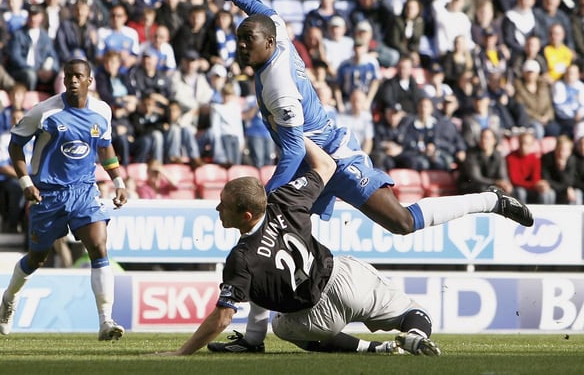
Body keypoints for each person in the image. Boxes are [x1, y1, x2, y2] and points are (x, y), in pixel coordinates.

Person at [204, 0, 534, 352]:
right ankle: (253, 339)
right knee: (270, 242)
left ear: (269, 43)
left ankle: (490, 200)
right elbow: (259, 6)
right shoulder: (274, 29)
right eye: (239, 39)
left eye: (248, 40)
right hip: (313, 160)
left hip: (332, 156)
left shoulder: (279, 87)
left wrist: (270, 198)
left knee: (402, 221)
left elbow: (294, 151)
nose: (241, 47)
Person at [160, 137, 442, 356]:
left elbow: (222, 318)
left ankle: (372, 349)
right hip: (346, 278)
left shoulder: (241, 258)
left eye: (225, 204)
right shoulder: (286, 199)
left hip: (315, 317)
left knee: (281, 326)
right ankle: (417, 335)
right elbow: (327, 166)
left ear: (246, 215)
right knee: (414, 315)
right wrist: (297, 133)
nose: (218, 207)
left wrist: (182, 352)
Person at [0, 59, 128, 341]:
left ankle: (106, 321)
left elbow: (105, 148)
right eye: (68, 76)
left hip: (84, 190)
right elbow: (15, 145)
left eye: (79, 76)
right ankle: (10, 297)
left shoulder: (101, 111)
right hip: (49, 194)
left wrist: (118, 180)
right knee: (37, 258)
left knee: (99, 246)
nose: (73, 81)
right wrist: (25, 183)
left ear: (89, 81)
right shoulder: (44, 112)